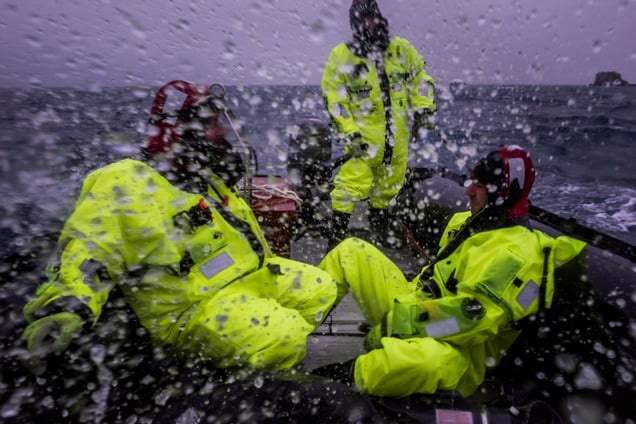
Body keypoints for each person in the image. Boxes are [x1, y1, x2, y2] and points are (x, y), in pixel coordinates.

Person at [19, 81, 338, 377]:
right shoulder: (126, 181)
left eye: (218, 122)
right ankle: (270, 370)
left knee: (322, 290)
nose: (220, 132)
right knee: (286, 336)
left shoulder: (207, 180)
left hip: (249, 279)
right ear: (180, 127)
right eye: (211, 123)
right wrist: (65, 307)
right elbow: (86, 248)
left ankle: (266, 361)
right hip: (193, 309)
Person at [315, 145, 586, 398]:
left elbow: (467, 320)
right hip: (413, 307)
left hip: (456, 350)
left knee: (414, 363)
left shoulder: (515, 254)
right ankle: (295, 326)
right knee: (350, 251)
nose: (468, 191)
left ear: (503, 195)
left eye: (479, 186)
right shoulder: (466, 223)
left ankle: (335, 381)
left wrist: (394, 325)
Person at [321, 0, 437, 249]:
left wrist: (424, 107)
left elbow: (420, 76)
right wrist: (350, 134)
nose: (370, 24)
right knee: (348, 188)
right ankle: (337, 236)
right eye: (364, 20)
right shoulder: (342, 56)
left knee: (388, 188)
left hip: (397, 142)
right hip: (362, 144)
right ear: (355, 24)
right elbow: (335, 101)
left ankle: (379, 230)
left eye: (373, 18)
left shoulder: (401, 50)